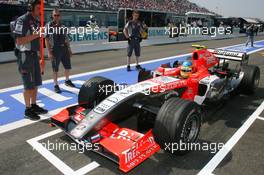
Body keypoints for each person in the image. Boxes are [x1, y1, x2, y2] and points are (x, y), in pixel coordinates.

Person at [13, 0, 48, 120]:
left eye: (41, 9)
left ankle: (33, 105)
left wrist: (41, 57)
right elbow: (19, 41)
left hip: (34, 55)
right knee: (28, 85)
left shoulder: (37, 21)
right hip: (24, 55)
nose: (40, 11)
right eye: (38, 8)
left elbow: (38, 38)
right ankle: (27, 110)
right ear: (31, 8)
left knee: (36, 83)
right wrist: (37, 34)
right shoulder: (22, 20)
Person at [45, 8, 75, 93]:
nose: (56, 17)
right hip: (55, 49)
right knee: (55, 69)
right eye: (55, 15)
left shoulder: (63, 25)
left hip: (64, 48)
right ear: (52, 16)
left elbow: (66, 38)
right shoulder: (49, 25)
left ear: (60, 16)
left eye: (58, 15)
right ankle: (56, 85)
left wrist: (69, 49)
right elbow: (46, 39)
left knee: (68, 66)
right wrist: (49, 52)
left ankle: (67, 80)